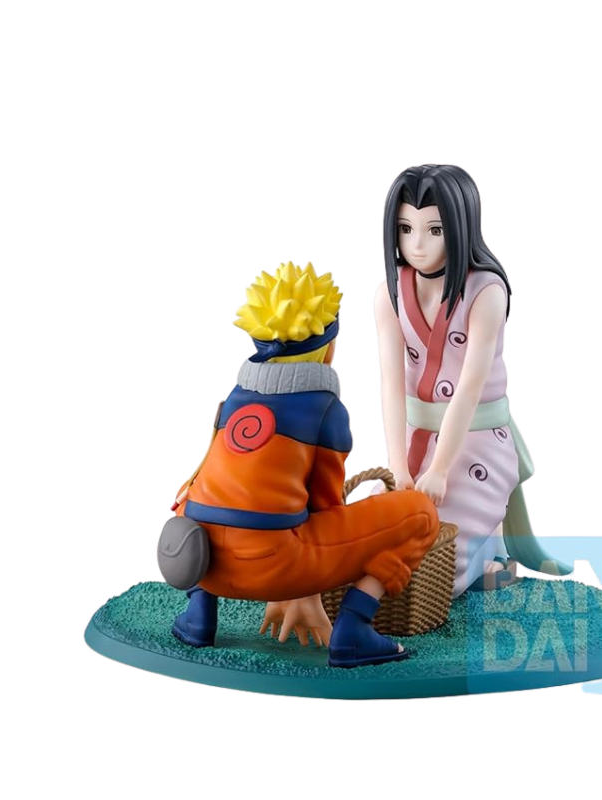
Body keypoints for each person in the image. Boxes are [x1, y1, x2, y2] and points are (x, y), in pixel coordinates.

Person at [157, 260, 439, 667]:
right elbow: (325, 507)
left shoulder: (234, 398)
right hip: (277, 568)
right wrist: (304, 588)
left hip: (201, 562)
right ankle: (355, 628)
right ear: (327, 345)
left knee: (204, 499)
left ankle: (198, 617)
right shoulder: (325, 408)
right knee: (421, 514)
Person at [372, 164, 570, 597]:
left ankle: (486, 555)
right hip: (412, 436)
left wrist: (440, 468)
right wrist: (397, 465)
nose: (417, 244)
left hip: (477, 438)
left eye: (435, 230)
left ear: (460, 227)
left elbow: (470, 385)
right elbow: (390, 383)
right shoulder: (389, 292)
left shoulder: (486, 290)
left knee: (440, 548)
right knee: (371, 530)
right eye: (405, 228)